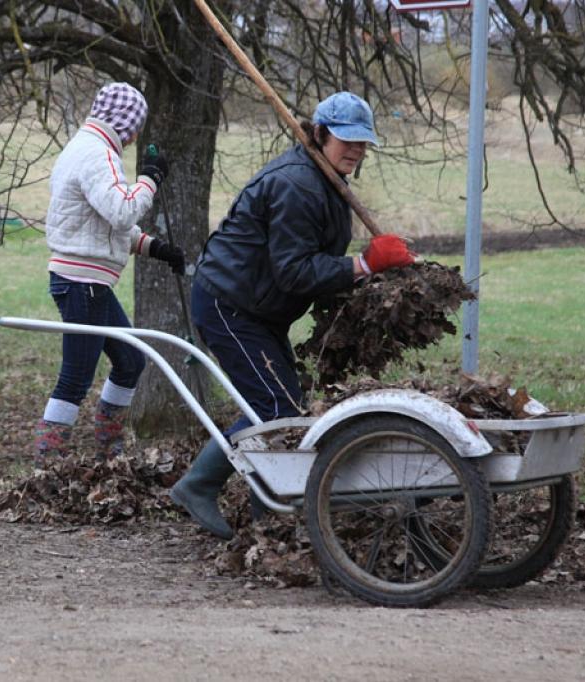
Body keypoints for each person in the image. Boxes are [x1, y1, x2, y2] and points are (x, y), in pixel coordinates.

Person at [169, 92, 416, 539]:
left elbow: (312, 262)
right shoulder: (297, 185)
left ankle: (269, 510)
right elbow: (294, 271)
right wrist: (363, 265)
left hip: (261, 307)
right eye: (346, 140)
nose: (357, 150)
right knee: (273, 408)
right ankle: (198, 485)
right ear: (319, 134)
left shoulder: (326, 181)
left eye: (363, 143)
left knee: (287, 407)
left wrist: (375, 276)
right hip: (231, 302)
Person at [33, 81, 185, 464]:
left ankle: (108, 448)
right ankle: (48, 462)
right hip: (81, 281)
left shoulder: (87, 149)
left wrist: (157, 248)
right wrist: (150, 178)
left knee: (131, 361)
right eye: (135, 128)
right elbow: (122, 210)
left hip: (89, 281)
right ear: (124, 123)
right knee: (76, 375)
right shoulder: (96, 155)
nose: (134, 137)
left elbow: (105, 222)